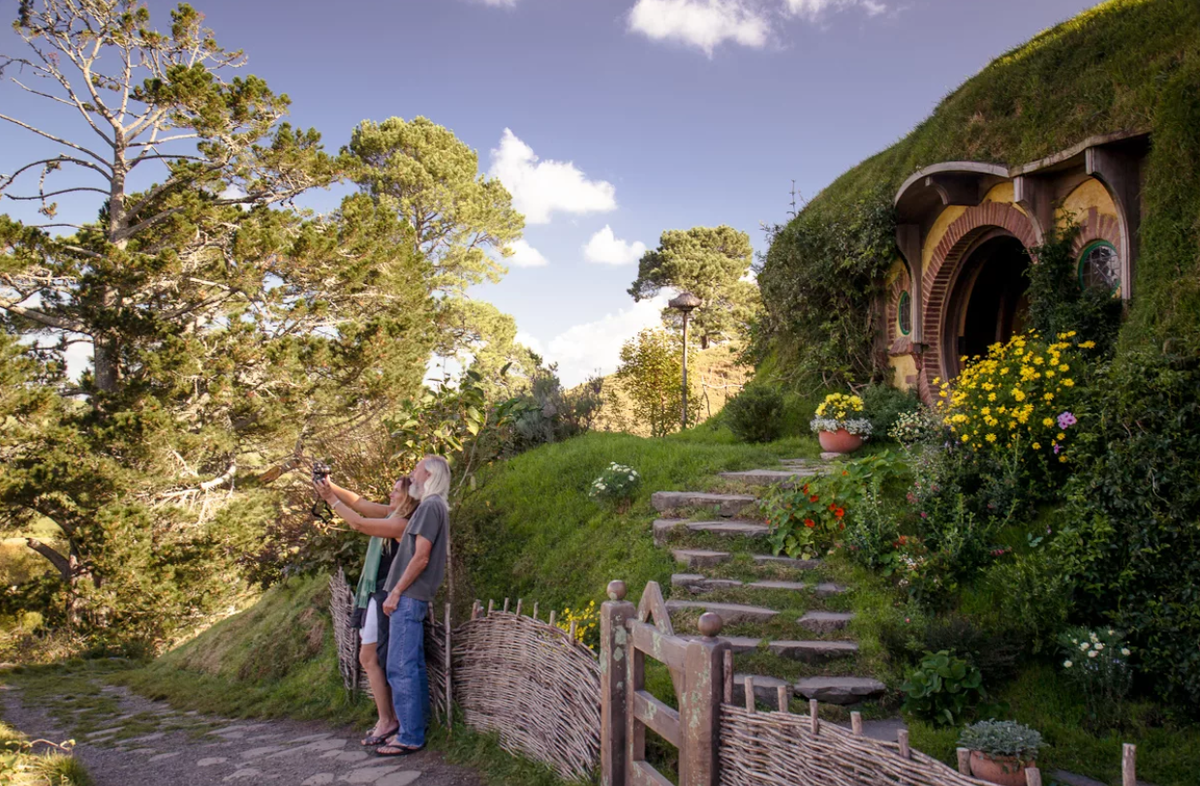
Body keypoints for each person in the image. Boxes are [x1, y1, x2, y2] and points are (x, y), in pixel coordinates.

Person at [318, 455, 451, 758]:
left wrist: (396, 592)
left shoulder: (428, 507)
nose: (412, 478)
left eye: (416, 474)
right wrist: (331, 489)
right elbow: (362, 508)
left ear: (429, 476)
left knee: (400, 667)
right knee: (410, 666)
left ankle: (409, 736)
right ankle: (413, 728)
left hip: (406, 595)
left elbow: (421, 557)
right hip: (405, 595)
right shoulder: (428, 508)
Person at [315, 474, 418, 747]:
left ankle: (388, 720)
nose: (391, 495)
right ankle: (387, 718)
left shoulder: (401, 524)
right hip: (376, 595)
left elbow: (359, 522)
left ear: (409, 497)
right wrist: (331, 485)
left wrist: (329, 499)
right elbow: (360, 503)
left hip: (386, 594)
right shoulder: (391, 514)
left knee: (372, 657)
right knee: (369, 657)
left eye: (396, 491)